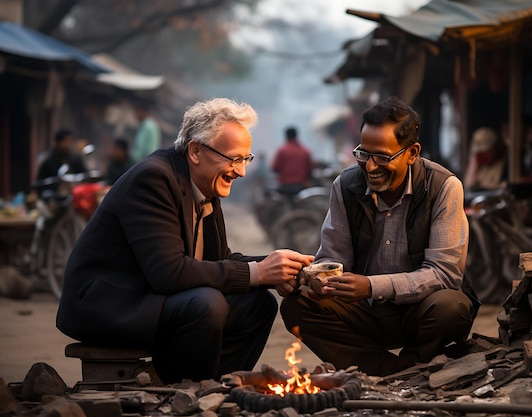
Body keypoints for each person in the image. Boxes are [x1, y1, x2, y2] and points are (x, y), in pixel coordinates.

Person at [56, 98, 315, 384]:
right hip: (109, 305)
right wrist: (258, 273)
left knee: (257, 304)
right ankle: (183, 391)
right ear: (195, 151)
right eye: (234, 158)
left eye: (245, 159)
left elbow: (220, 260)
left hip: (150, 299)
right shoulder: (154, 178)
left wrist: (274, 267)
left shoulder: (205, 184)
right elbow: (169, 273)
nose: (240, 171)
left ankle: (215, 388)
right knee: (206, 304)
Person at [280, 97, 479, 376]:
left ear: (412, 153)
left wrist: (373, 286)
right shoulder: (346, 185)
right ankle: (381, 366)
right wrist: (309, 277)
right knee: (298, 305)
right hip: (365, 313)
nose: (371, 167)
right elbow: (334, 258)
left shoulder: (444, 187)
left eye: (383, 157)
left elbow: (445, 274)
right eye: (363, 154)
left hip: (419, 312)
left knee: (452, 306)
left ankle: (414, 363)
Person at [271, 126, 313, 200]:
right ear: (296, 135)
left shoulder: (282, 151)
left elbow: (275, 167)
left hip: (285, 185)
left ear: (286, 136)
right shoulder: (305, 151)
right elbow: (310, 169)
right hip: (300, 186)